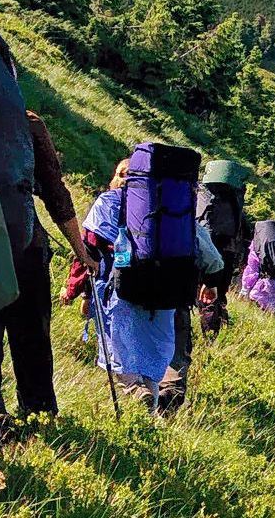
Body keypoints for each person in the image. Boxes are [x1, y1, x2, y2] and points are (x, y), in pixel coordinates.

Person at [0, 111, 96, 443]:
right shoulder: (27, 122)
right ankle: (40, 415)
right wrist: (81, 252)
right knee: (32, 338)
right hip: (27, 245)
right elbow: (55, 192)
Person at [76, 159, 177, 411]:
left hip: (116, 288)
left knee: (116, 348)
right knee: (147, 354)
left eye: (127, 175)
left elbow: (89, 247)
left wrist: (79, 291)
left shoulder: (107, 203)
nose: (123, 179)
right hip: (158, 290)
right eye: (121, 174)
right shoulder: (163, 205)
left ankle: (135, 390)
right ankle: (150, 412)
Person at [157, 161, 249, 414]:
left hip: (139, 286)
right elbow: (217, 256)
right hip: (193, 280)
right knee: (178, 344)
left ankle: (141, 392)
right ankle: (169, 397)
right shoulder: (230, 208)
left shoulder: (196, 204)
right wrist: (212, 282)